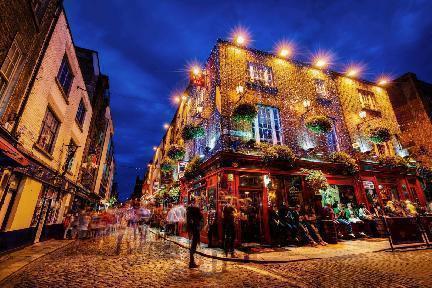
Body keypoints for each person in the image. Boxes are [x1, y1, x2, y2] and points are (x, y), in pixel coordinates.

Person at [186, 197, 202, 268]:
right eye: (197, 200)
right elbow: (200, 217)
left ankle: (191, 261)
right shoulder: (196, 208)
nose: (197, 201)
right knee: (194, 244)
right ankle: (191, 262)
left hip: (191, 228)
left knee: (192, 244)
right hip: (195, 227)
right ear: (194, 201)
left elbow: (188, 219)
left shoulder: (188, 208)